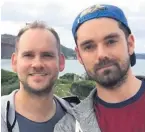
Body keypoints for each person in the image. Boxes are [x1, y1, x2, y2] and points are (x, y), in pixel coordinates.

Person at [55, 4, 145, 132]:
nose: (101, 55)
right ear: (79, 56)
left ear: (130, 44)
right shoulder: (69, 127)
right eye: (89, 46)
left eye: (111, 41)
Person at [1, 21, 80, 132]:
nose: (37, 64)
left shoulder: (80, 121)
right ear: (14, 62)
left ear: (61, 62)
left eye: (47, 55)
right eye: (28, 55)